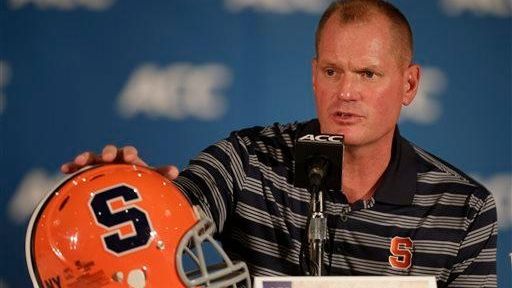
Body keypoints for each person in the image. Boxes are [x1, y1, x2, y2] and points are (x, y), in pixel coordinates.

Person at [61, 0, 497, 287]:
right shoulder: (247, 159)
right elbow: (175, 211)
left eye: (367, 74)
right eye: (332, 71)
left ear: (409, 83)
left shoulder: (464, 208)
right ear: (313, 75)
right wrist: (130, 190)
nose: (346, 92)